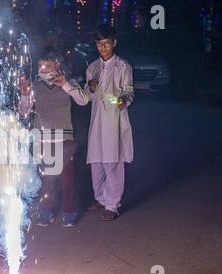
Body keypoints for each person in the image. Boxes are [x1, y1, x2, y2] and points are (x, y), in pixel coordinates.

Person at [18, 50, 89, 227]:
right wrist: (25, 94)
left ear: (57, 65)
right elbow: (25, 112)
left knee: (67, 176)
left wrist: (65, 84)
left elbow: (83, 100)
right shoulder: (35, 85)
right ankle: (45, 212)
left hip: (63, 138)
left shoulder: (69, 83)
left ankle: (69, 212)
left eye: (48, 65)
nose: (44, 69)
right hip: (41, 138)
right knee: (46, 177)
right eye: (41, 66)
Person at [85, 25, 135, 221]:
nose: (103, 48)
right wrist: (90, 87)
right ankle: (100, 198)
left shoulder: (123, 66)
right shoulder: (92, 67)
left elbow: (129, 91)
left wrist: (122, 100)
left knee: (112, 162)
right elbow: (88, 95)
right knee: (96, 163)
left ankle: (112, 205)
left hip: (114, 120)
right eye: (99, 44)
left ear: (114, 43)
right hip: (97, 121)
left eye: (106, 44)